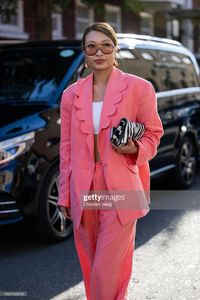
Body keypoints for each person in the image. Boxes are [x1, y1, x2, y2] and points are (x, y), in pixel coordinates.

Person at [58, 22, 164, 300]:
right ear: (84, 52)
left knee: (106, 267)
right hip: (84, 188)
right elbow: (66, 150)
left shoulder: (140, 88)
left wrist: (134, 148)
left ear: (115, 49)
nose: (99, 52)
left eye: (106, 45)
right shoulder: (70, 95)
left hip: (124, 187)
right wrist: (65, 195)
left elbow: (154, 135)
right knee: (91, 264)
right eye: (91, 46)